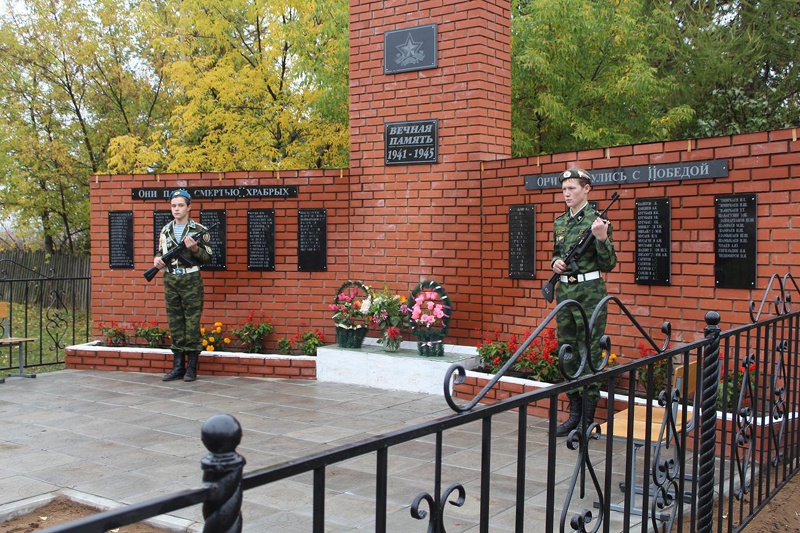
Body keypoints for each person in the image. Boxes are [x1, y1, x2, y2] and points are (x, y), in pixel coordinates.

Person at [550, 168, 617, 436]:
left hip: (590, 293)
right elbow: (557, 254)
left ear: (586, 189)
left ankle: (587, 419)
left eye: (572, 188)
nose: (567, 193)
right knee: (567, 351)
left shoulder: (598, 221)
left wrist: (601, 238)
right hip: (565, 293)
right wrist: (555, 262)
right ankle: (573, 414)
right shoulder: (560, 222)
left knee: (588, 350)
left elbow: (609, 263)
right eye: (564, 189)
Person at [153, 189, 213, 382]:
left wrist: (194, 248)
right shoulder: (165, 230)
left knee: (192, 322)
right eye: (173, 205)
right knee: (175, 322)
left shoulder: (198, 230)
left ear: (189, 207)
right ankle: (178, 365)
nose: (176, 209)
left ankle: (192, 367)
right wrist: (157, 260)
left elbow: (207, 258)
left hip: (191, 280)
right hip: (171, 280)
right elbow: (159, 252)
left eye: (180, 205)